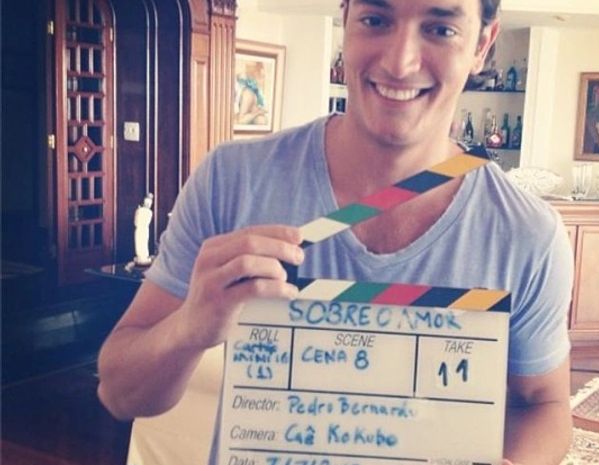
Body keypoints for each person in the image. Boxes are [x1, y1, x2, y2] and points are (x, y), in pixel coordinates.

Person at [97, 1, 574, 464]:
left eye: (440, 29)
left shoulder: (526, 234)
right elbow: (119, 395)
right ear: (345, 19)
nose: (400, 63)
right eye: (376, 19)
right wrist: (188, 328)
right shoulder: (231, 179)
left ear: (483, 44)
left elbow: (545, 405)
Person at [133, 193, 154, 266]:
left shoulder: (148, 212)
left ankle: (144, 256)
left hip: (144, 229)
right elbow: (136, 222)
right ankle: (141, 257)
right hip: (140, 229)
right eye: (147, 203)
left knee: (144, 243)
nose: (148, 205)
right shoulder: (140, 211)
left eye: (149, 203)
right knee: (140, 243)